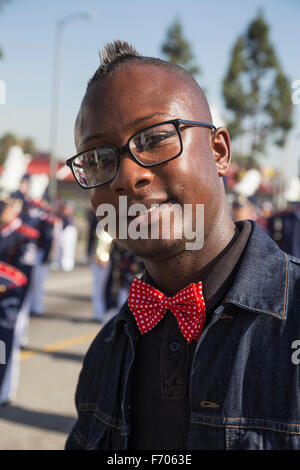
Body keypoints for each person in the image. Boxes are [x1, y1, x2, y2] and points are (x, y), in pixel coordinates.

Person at [65, 41, 300, 450]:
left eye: (154, 138)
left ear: (219, 151)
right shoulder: (107, 350)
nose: (127, 176)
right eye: (98, 158)